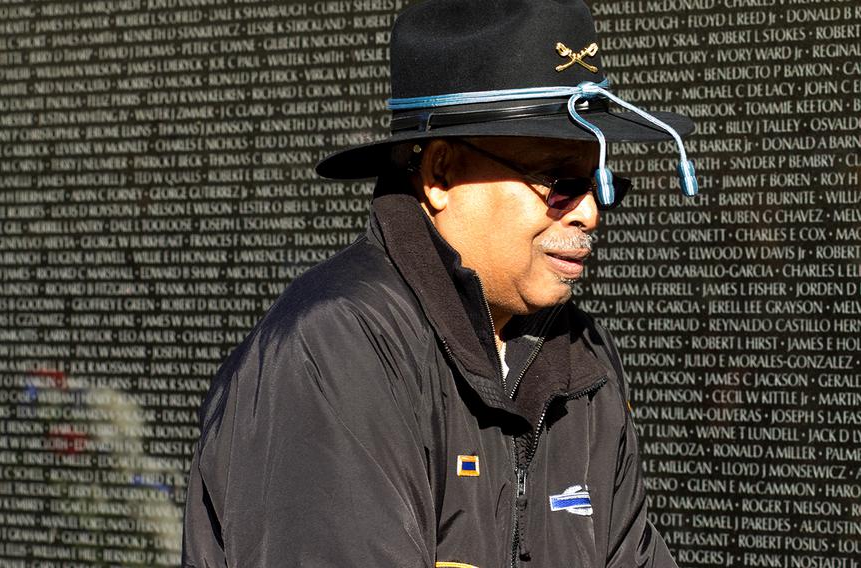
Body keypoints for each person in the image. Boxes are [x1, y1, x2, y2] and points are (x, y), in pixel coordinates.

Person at [182, 0, 698, 566]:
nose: (589, 214)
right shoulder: (337, 350)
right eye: (561, 181)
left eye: (602, 183)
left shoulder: (583, 357)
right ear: (441, 173)